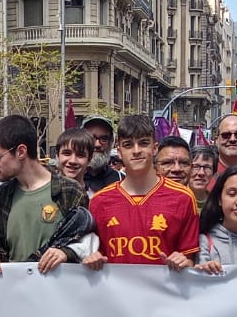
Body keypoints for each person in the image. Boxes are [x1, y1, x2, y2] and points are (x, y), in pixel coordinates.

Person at [0, 114, 93, 278]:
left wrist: (66, 253)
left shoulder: (70, 191)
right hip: (13, 291)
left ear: (21, 151)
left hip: (60, 292)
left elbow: (84, 244)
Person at [84, 114, 199, 269]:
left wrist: (185, 261)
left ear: (155, 148)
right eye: (128, 145)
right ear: (119, 152)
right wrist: (92, 258)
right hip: (115, 293)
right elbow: (94, 254)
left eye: (143, 143)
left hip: (164, 292)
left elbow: (190, 259)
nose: (136, 151)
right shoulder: (99, 202)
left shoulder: (183, 198)